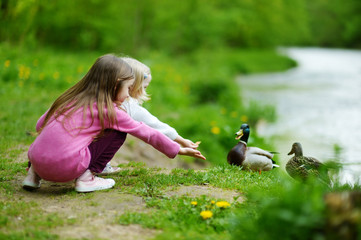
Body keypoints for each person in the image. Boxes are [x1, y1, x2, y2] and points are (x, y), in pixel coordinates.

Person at [22, 54, 206, 193]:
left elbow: (40, 125)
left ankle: (33, 176)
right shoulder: (110, 111)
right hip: (67, 169)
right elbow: (146, 132)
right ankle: (87, 178)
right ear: (115, 85)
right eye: (127, 88)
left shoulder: (70, 99)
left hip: (38, 162)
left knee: (48, 136)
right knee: (118, 132)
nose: (128, 95)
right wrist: (177, 149)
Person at [100, 57, 201, 175]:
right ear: (132, 85)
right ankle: (99, 165)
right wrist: (181, 141)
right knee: (118, 134)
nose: (145, 91)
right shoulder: (127, 106)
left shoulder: (98, 98)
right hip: (90, 151)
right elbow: (154, 125)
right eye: (144, 87)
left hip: (82, 147)